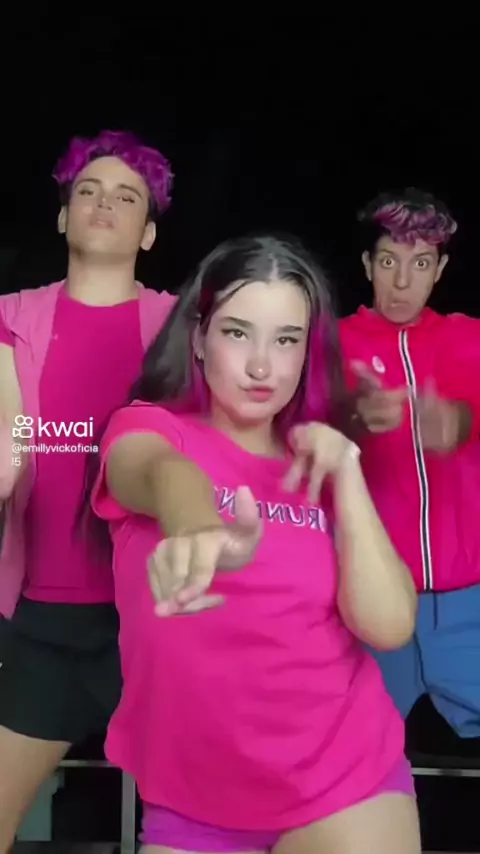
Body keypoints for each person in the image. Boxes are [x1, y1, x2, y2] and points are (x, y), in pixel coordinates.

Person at [91, 234, 420, 854]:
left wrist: (347, 471)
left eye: (286, 340)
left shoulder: (317, 461)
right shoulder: (149, 428)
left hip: (344, 779)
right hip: (192, 799)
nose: (263, 366)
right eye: (238, 333)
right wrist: (195, 525)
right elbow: (157, 471)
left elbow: (389, 626)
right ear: (198, 338)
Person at [0, 129, 176, 851]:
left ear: (149, 232)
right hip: (41, 622)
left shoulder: (184, 327)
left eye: (127, 197)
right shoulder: (11, 318)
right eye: (88, 192)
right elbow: (9, 440)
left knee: (199, 829)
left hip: (156, 623)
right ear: (62, 216)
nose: (105, 204)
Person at [340, 188, 480, 741]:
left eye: (420, 264)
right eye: (389, 262)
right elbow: (301, 435)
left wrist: (459, 423)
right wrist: (353, 419)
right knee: (351, 753)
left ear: (439, 269)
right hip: (372, 604)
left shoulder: (469, 338)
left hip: (469, 601)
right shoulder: (331, 345)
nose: (402, 282)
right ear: (366, 264)